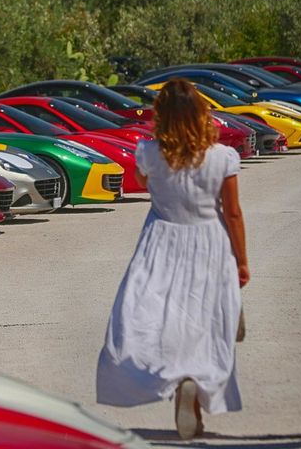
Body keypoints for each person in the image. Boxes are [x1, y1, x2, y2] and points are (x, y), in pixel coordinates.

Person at [96, 78, 248, 441]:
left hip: (161, 240)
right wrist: (242, 260)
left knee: (164, 319)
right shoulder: (222, 157)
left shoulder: (149, 152)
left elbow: (141, 180)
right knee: (204, 320)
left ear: (161, 115)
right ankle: (194, 382)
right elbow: (233, 212)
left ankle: (180, 382)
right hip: (209, 241)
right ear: (200, 112)